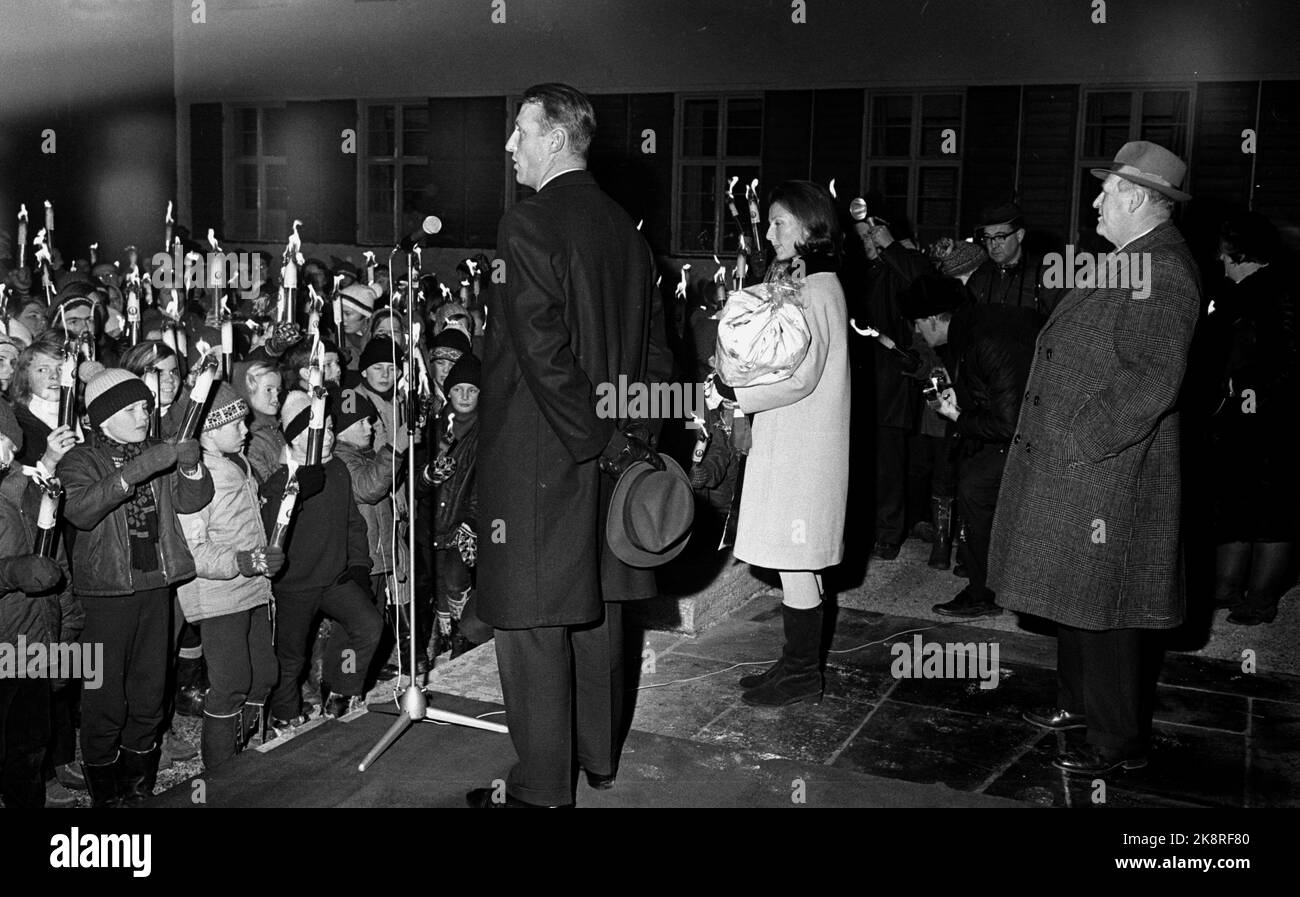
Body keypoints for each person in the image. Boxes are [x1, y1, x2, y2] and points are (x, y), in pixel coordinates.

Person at [471, 83, 671, 808]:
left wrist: (598, 442)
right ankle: (599, 761)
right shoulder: (628, 231)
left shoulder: (527, 226)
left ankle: (541, 787)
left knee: (532, 624)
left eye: (520, 130)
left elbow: (543, 356)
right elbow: (657, 357)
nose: (509, 145)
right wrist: (631, 442)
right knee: (598, 613)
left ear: (555, 137)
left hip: (542, 461)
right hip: (610, 456)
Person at [989, 141, 1200, 775]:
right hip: (1079, 468)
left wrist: (1083, 441)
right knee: (1073, 595)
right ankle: (1077, 705)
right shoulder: (1129, 260)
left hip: (1106, 473)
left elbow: (1150, 382)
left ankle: (1118, 744)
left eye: (1107, 192)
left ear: (1139, 198)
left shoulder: (1162, 270)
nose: (1097, 201)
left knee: (1107, 609)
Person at [708, 180, 850, 707]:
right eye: (768, 222)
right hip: (798, 439)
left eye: (778, 223)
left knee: (797, 560)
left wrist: (732, 389)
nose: (767, 232)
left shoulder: (814, 288)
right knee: (799, 562)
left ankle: (800, 674)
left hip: (802, 445)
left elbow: (799, 376)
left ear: (811, 228)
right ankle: (795, 666)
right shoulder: (812, 282)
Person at [60, 368, 214, 806]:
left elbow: (191, 499)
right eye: (131, 409)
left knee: (149, 693)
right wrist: (134, 472)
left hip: (155, 586)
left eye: (145, 406)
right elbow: (82, 510)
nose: (143, 415)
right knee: (105, 698)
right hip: (105, 593)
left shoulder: (153, 448)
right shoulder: (81, 461)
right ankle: (106, 795)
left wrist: (190, 464)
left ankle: (137, 787)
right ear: (102, 419)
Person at [902, 274, 1042, 617]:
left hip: (1035, 434)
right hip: (1024, 424)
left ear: (935, 318)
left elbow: (1008, 424)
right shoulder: (974, 325)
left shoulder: (981, 340)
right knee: (972, 476)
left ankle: (986, 592)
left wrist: (957, 416)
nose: (918, 332)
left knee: (975, 486)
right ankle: (993, 581)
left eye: (919, 323)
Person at [175, 383, 282, 769]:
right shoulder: (198, 476)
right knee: (231, 683)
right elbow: (194, 550)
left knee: (265, 673)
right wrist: (241, 561)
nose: (246, 430)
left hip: (252, 587)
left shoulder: (239, 462)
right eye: (235, 423)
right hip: (218, 596)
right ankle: (220, 772)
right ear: (207, 430)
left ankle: (242, 740)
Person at [260, 390, 381, 728]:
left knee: (368, 625)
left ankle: (342, 691)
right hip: (294, 586)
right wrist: (296, 491)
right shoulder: (279, 480)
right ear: (295, 439)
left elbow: (353, 525)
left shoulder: (338, 469)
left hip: (334, 579)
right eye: (317, 431)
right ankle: (284, 713)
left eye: (330, 427)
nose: (327, 436)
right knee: (291, 655)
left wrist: (358, 567)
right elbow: (273, 528)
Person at [1207, 211, 1298, 625]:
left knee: (1271, 511)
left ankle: (1261, 598)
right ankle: (1226, 587)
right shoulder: (1232, 291)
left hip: (1275, 421)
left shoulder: (1282, 293)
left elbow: (1287, 359)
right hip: (1237, 419)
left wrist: (1250, 387)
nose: (1220, 258)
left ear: (1239, 251)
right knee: (1234, 500)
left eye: (1224, 251)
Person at [0, 399, 80, 808]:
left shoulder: (30, 492)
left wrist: (64, 636)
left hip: (30, 644)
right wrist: (9, 572)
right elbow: (18, 569)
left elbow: (56, 568)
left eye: (3, 440)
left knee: (29, 746)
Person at [856, 215, 930, 560]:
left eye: (872, 236)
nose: (865, 242)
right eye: (862, 237)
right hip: (858, 383)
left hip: (890, 385)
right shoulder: (854, 273)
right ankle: (863, 529)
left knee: (888, 464)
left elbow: (925, 283)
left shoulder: (896, 270)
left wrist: (892, 246)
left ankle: (888, 533)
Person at [423, 353, 491, 658]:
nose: (464, 396)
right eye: (458, 389)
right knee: (438, 585)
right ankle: (447, 636)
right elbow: (416, 477)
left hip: (463, 523)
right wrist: (427, 476)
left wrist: (473, 522)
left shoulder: (486, 432)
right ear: (447, 391)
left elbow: (485, 483)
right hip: (435, 522)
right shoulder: (435, 427)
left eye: (472, 390)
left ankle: (464, 637)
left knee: (455, 576)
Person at [965, 202, 1062, 315]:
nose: (993, 244)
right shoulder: (981, 275)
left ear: (1019, 235)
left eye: (1000, 237)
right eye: (987, 238)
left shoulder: (1044, 274)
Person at [232, 359, 285, 483]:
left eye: (278, 390)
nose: (276, 397)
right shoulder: (249, 439)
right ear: (247, 390)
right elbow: (264, 486)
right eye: (268, 390)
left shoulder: (273, 427)